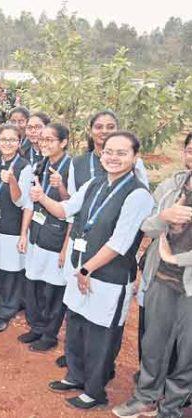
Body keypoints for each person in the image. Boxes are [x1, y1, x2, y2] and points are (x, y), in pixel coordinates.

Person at [36, 131, 153, 410]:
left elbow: (120, 243)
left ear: (135, 157)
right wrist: (41, 197)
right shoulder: (94, 182)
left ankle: (94, 390)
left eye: (121, 153)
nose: (113, 157)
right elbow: (65, 211)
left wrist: (86, 270)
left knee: (101, 335)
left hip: (109, 276)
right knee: (76, 325)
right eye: (109, 151)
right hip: (82, 270)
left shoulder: (138, 194)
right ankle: (75, 376)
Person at [111, 133, 192, 418]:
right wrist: (165, 217)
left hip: (189, 287)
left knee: (186, 354)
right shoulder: (173, 186)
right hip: (162, 277)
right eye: (191, 150)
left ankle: (171, 408)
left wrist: (178, 257)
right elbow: (147, 227)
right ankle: (146, 397)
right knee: (154, 343)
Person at [20, 123, 72, 353]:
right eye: (43, 139)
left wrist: (65, 248)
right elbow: (32, 201)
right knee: (35, 283)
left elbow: (74, 207)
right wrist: (24, 233)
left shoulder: (71, 167)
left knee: (53, 288)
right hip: (37, 234)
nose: (45, 143)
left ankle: (50, 334)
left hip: (57, 236)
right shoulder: (41, 164)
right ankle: (38, 327)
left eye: (51, 140)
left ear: (63, 142)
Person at [0, 124, 33, 332]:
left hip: (13, 226)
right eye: (3, 140)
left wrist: (12, 180)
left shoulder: (24, 166)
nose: (7, 144)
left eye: (12, 140)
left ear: (19, 143)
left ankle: (7, 311)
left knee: (11, 270)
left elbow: (24, 202)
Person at [68, 110, 149, 195]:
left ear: (118, 130)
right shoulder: (77, 162)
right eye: (99, 127)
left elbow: (144, 193)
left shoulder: (133, 161)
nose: (104, 131)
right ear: (90, 132)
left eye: (110, 127)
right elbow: (71, 197)